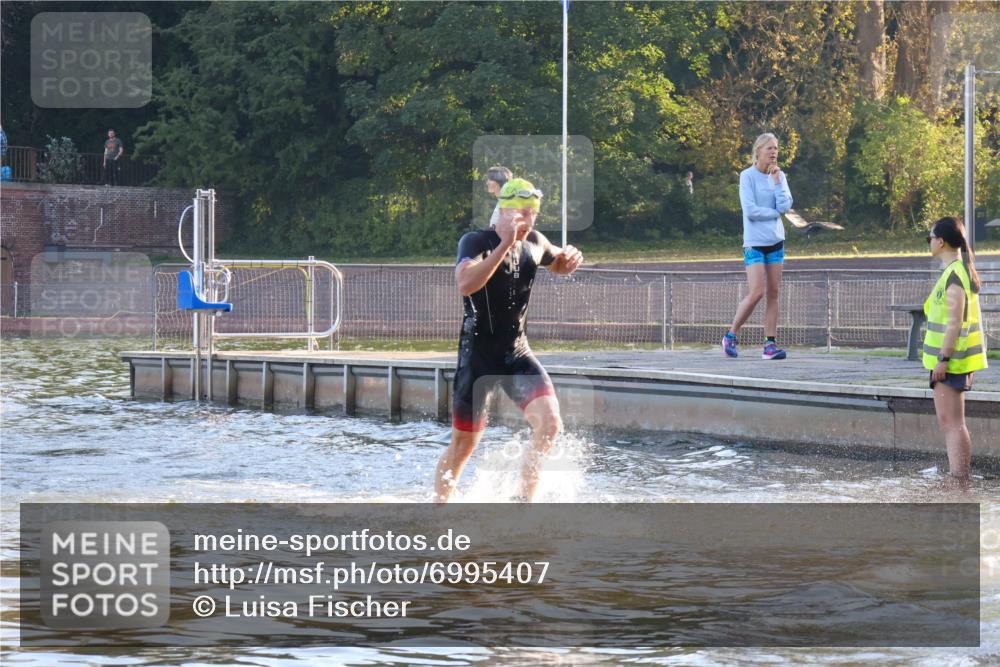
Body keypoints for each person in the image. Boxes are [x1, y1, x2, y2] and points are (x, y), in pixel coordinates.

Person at [436, 178, 584, 503]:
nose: (528, 220)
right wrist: (505, 244)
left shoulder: (535, 241)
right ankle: (439, 511)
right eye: (521, 213)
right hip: (477, 358)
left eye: (533, 214)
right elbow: (465, 284)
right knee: (463, 445)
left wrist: (570, 260)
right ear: (503, 211)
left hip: (516, 353)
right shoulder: (476, 241)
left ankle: (522, 502)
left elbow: (557, 262)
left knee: (550, 424)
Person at [923, 216, 987, 484]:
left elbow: (954, 323)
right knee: (949, 422)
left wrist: (943, 358)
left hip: (952, 362)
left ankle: (960, 480)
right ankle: (958, 478)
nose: (928, 242)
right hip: (951, 362)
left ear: (941, 242)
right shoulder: (955, 271)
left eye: (929, 238)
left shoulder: (955, 274)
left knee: (953, 423)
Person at [723, 133, 793, 360]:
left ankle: (769, 345)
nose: (773, 152)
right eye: (769, 148)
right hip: (754, 243)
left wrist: (777, 183)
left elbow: (786, 205)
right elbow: (751, 210)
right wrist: (774, 212)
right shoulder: (747, 176)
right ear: (758, 151)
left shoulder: (779, 176)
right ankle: (731, 335)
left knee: (773, 293)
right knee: (756, 293)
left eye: (776, 148)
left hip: (776, 241)